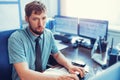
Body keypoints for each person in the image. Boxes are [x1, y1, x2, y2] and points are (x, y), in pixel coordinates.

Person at [8, 1, 85, 80]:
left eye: (44, 18)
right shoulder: (16, 38)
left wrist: (70, 66)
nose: (40, 24)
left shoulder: (48, 34)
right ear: (27, 19)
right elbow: (24, 75)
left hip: (44, 76)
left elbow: (57, 54)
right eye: (35, 19)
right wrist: (60, 77)